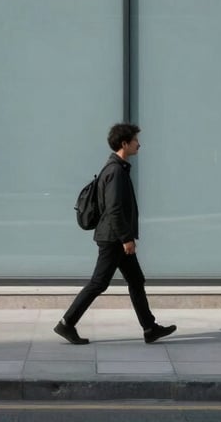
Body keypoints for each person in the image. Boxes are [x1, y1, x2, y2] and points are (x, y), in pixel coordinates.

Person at [54, 123, 176, 345]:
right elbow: (115, 209)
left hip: (114, 237)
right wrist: (126, 239)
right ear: (124, 143)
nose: (139, 144)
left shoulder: (116, 168)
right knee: (99, 283)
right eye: (135, 140)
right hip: (113, 239)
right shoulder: (116, 171)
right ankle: (67, 323)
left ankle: (150, 328)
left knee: (136, 280)